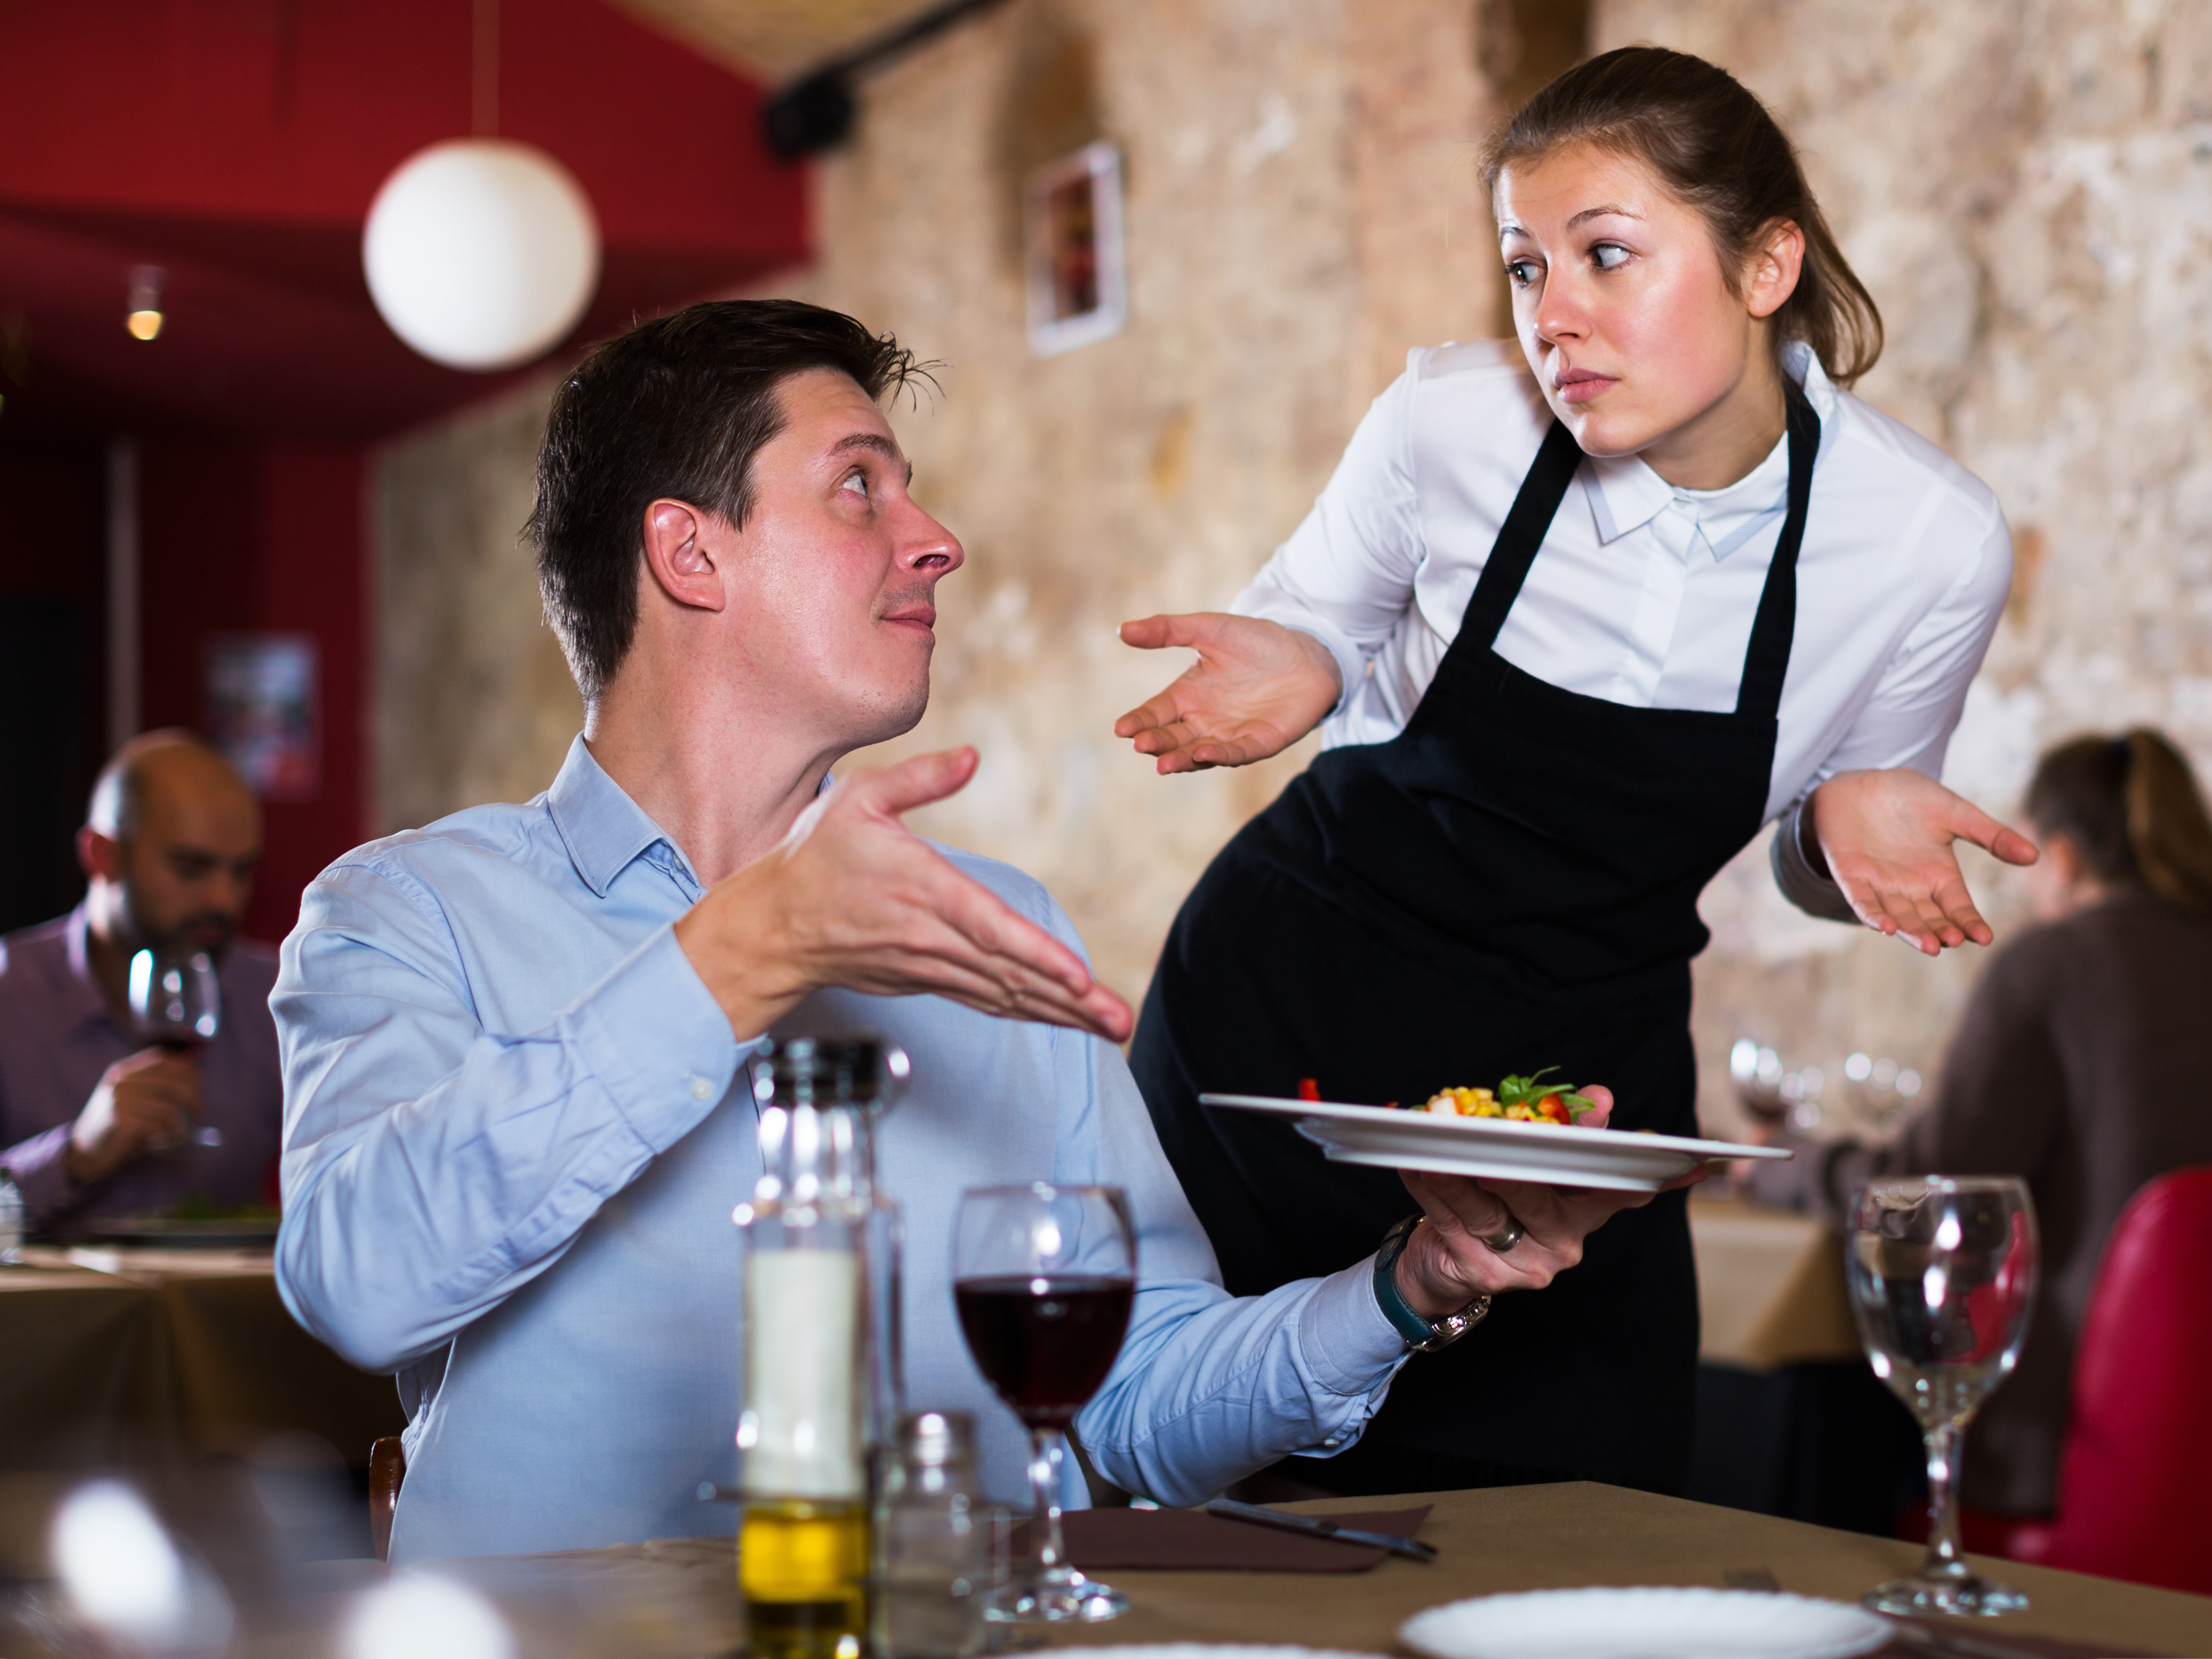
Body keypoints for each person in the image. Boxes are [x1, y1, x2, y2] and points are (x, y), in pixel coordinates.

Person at [271, 299, 1663, 1565]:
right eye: (858, 487)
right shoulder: (409, 915)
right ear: (690, 553)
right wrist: (748, 953)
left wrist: (1403, 1290)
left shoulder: (1004, 936)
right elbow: (357, 1286)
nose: (934, 539)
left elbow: (1133, 1398)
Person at [1114, 46, 2036, 1500]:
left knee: (1586, 1506)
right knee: (1230, 1499)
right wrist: (1303, 660)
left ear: (1764, 263)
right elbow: (1305, 623)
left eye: (1606, 256)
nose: (1555, 318)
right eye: (1524, 267)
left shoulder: (1924, 540)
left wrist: (1841, 824)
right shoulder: (1444, 423)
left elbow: (1830, 853)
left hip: (1573, 1100)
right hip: (1291, 1022)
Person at [1747, 729, 2212, 1518]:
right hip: (2188, 1458)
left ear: (2058, 858)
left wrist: (1775, 1164)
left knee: (1793, 1431)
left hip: (2071, 1455)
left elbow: (1928, 1198)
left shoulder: (2055, 963)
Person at [0, 731, 280, 1237]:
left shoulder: (277, 995)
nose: (223, 899)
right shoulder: (11, 995)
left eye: (241, 872)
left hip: (220, 1316)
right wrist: (76, 1155)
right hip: (61, 1319)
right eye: (191, 867)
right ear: (101, 855)